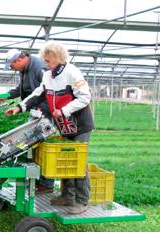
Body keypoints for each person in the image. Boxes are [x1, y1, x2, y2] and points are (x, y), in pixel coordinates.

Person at [5, 41, 94, 215]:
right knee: (65, 160)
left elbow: (85, 98)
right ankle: (67, 197)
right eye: (45, 60)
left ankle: (82, 201)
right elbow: (38, 94)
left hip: (80, 125)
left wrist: (64, 110)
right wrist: (20, 107)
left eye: (48, 60)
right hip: (64, 125)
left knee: (78, 162)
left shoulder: (72, 73)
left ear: (59, 58)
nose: (46, 64)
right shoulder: (48, 75)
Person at [0, 49, 54, 194]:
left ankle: (46, 184)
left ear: (18, 60)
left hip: (45, 113)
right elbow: (23, 89)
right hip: (34, 111)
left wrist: (43, 111)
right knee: (33, 146)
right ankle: (37, 180)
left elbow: (50, 92)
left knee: (43, 146)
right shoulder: (24, 69)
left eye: (11, 66)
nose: (12, 69)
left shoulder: (39, 68)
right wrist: (8, 96)